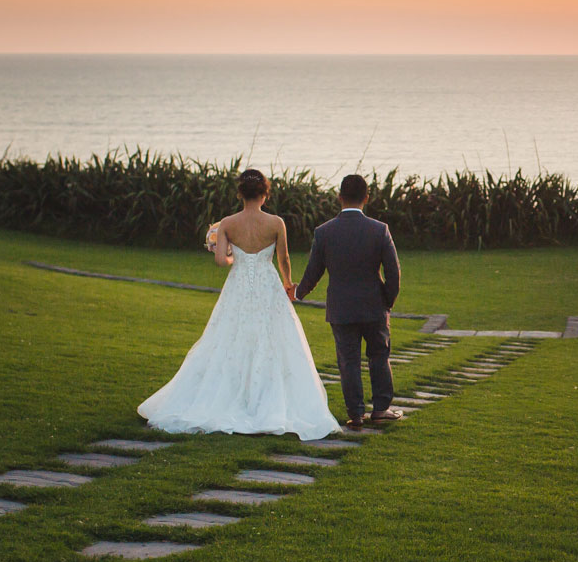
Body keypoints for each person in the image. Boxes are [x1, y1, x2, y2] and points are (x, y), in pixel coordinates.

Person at [137, 168, 342, 439]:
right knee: (273, 339)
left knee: (228, 336)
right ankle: (266, 398)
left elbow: (221, 260)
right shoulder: (276, 223)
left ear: (239, 194)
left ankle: (229, 395)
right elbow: (284, 259)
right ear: (265, 194)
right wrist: (288, 283)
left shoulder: (228, 223)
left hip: (238, 286)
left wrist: (234, 257)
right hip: (268, 286)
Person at [297, 173, 404, 429]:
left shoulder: (324, 232)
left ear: (339, 197)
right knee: (379, 356)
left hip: (341, 308)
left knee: (348, 361)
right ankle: (381, 409)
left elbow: (314, 271)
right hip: (374, 306)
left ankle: (356, 414)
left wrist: (298, 292)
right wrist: (387, 301)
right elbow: (393, 272)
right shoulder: (379, 230)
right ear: (367, 197)